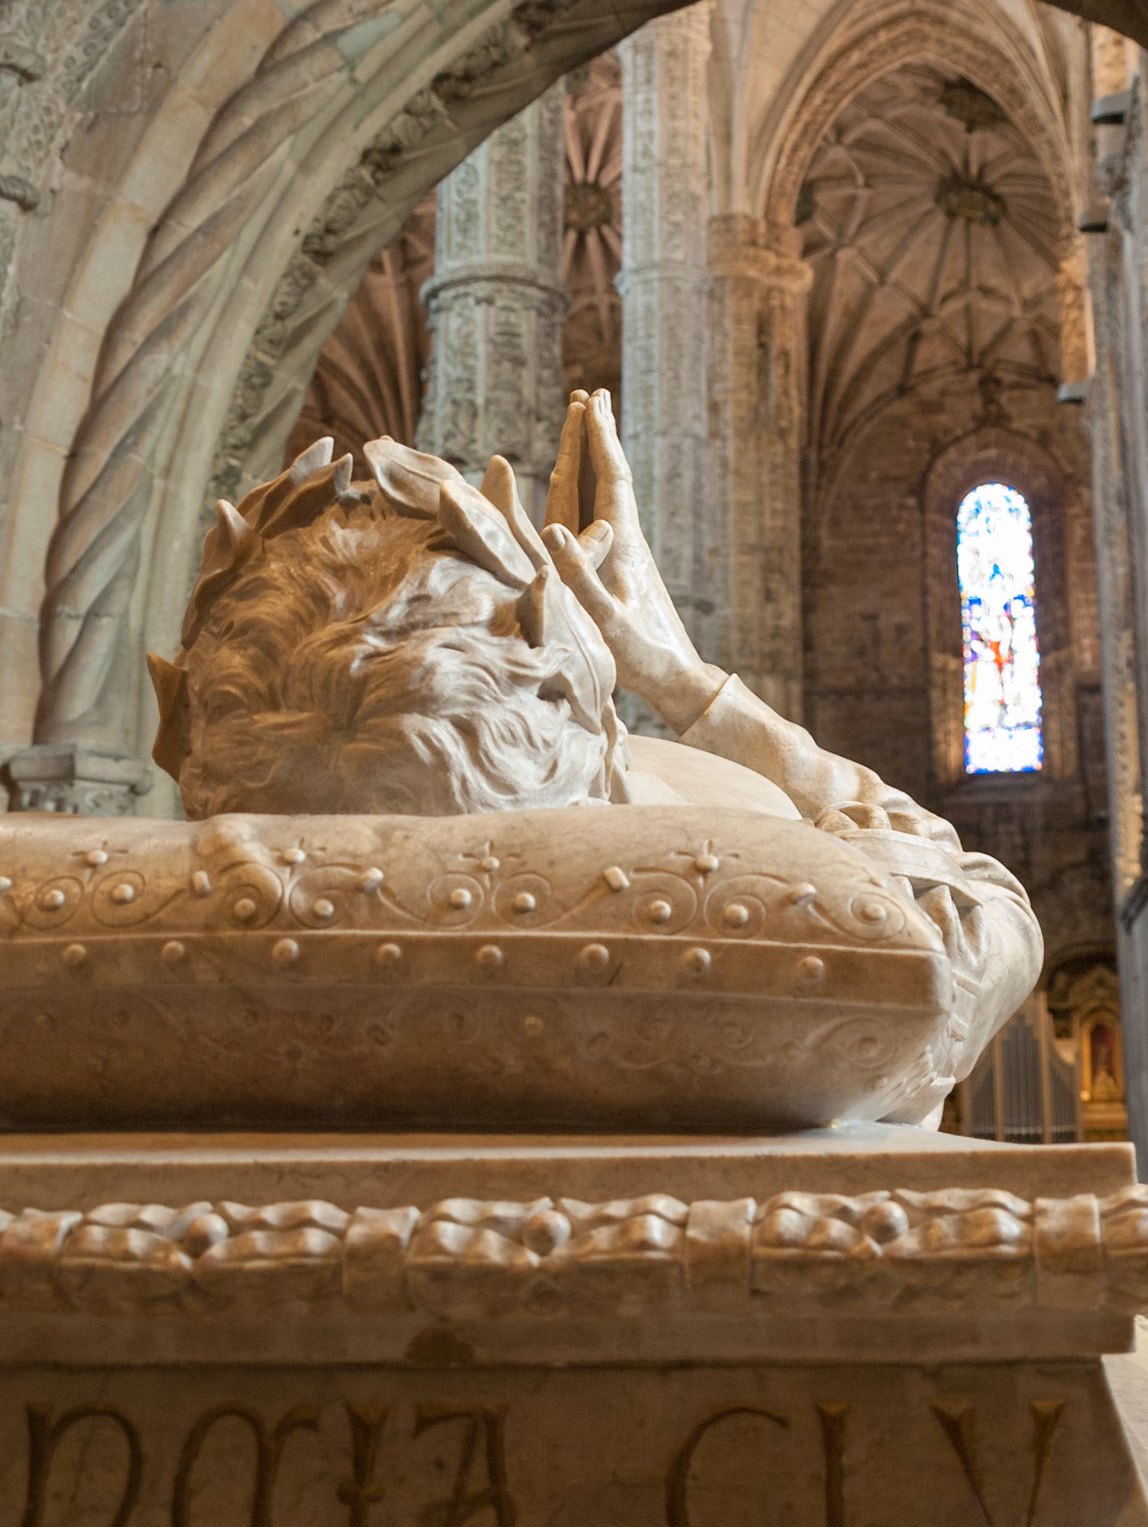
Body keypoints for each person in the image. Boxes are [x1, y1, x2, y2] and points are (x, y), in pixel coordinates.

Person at [147, 388, 1043, 1104]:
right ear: (597, 728)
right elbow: (986, 916)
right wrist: (683, 676)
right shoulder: (751, 923)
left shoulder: (161, 968)